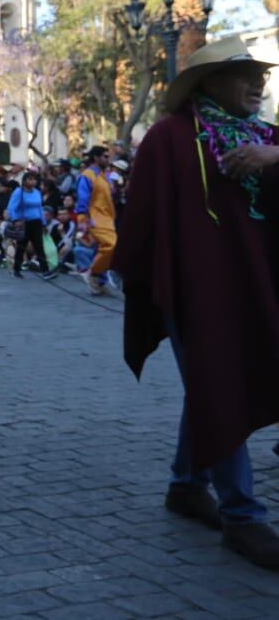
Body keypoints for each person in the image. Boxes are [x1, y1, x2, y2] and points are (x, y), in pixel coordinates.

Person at [115, 36, 279, 571]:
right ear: (209, 83)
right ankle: (242, 516)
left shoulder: (267, 137)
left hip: (256, 285)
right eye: (245, 74)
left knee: (212, 388)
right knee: (220, 386)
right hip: (195, 291)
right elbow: (141, 218)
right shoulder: (168, 137)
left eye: (261, 75)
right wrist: (152, 287)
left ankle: (186, 485)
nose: (258, 83)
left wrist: (273, 156)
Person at [75, 145, 116, 295]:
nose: (108, 159)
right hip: (94, 219)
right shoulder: (87, 175)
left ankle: (99, 282)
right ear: (96, 158)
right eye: (105, 157)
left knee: (101, 250)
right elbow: (82, 199)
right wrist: (83, 219)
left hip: (107, 218)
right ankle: (92, 273)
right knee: (111, 246)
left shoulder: (104, 176)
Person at [7, 171, 57, 280]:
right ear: (24, 181)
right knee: (21, 247)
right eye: (30, 179)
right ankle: (16, 269)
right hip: (24, 223)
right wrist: (15, 219)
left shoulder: (37, 192)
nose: (33, 181)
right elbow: (11, 207)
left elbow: (40, 208)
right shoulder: (19, 192)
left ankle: (45, 271)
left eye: (34, 179)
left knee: (39, 247)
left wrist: (43, 223)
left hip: (36, 222)